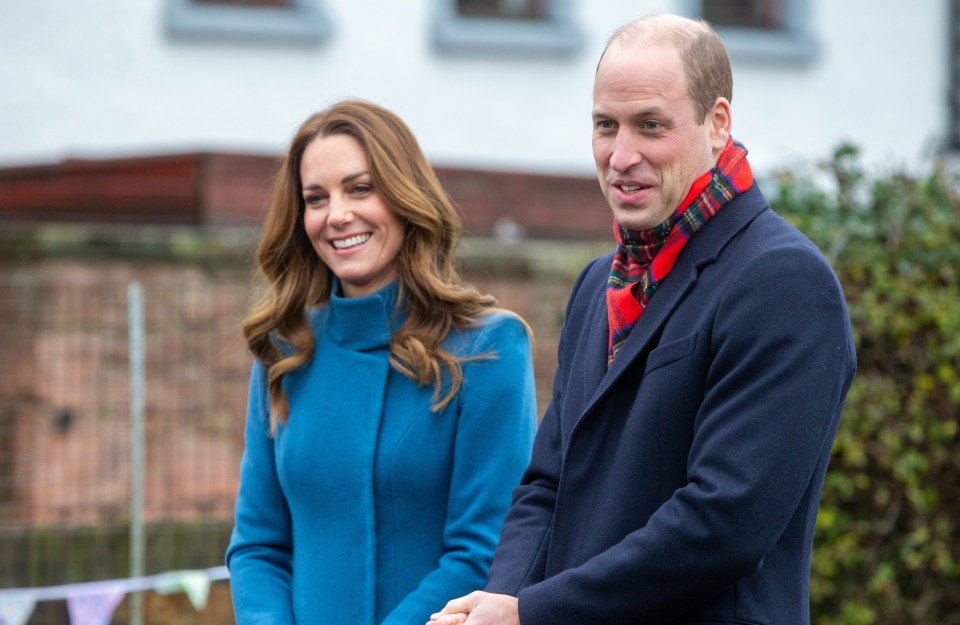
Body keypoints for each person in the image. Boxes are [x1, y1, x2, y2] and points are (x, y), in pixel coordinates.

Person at [430, 13, 856, 625]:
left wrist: (533, 614)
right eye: (606, 126)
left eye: (650, 126)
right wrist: (502, 602)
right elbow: (547, 484)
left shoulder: (783, 281)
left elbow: (722, 523)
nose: (620, 155)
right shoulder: (598, 284)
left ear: (718, 124)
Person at [225, 99, 537, 625]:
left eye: (360, 188)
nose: (337, 214)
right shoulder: (285, 352)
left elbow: (481, 551)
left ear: (404, 196)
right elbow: (258, 546)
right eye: (316, 198)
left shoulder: (490, 347)